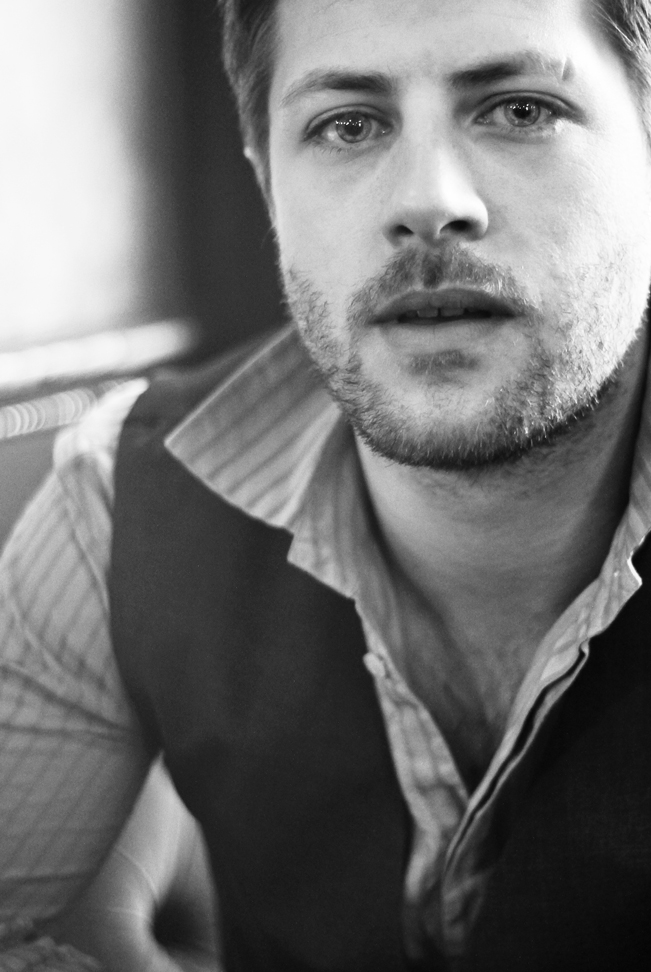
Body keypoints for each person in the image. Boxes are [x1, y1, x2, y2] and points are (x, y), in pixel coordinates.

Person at [2, 0, 651, 969]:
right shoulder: (115, 504)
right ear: (267, 183)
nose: (429, 200)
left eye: (520, 109)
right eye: (348, 125)